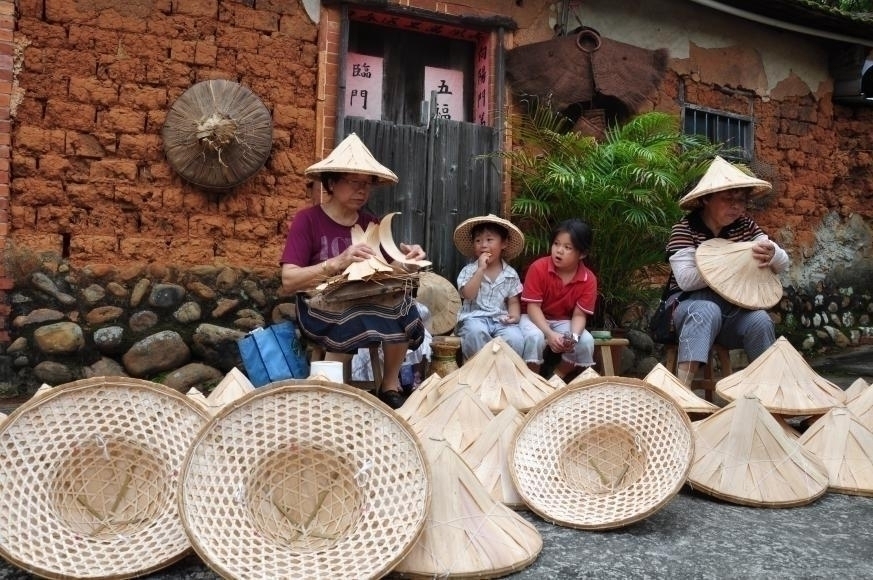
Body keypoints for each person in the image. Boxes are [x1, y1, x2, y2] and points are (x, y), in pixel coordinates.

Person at [280, 133, 427, 409]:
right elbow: (289, 280)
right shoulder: (308, 220)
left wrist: (407, 261)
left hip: (362, 298)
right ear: (332, 183)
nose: (363, 191)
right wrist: (337, 262)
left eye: (367, 184)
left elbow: (383, 272)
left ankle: (389, 386)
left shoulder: (371, 222)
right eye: (354, 183)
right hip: (318, 304)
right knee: (354, 318)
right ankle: (328, 394)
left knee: (404, 307)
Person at [665, 156, 789, 386]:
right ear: (706, 200)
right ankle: (682, 394)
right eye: (727, 199)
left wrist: (774, 254)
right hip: (687, 309)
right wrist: (731, 262)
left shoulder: (746, 225)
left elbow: (781, 262)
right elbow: (686, 280)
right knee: (706, 309)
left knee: (760, 320)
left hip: (732, 315)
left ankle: (768, 394)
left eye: (741, 200)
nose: (736, 206)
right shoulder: (684, 229)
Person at [518, 218, 597, 380]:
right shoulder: (538, 267)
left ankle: (556, 377)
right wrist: (549, 333)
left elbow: (579, 315)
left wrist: (573, 337)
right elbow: (532, 307)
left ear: (582, 253)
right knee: (535, 337)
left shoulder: (589, 279)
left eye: (567, 247)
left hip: (562, 320)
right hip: (532, 317)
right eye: (556, 244)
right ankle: (532, 380)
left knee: (585, 341)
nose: (559, 251)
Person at [453, 214, 526, 360]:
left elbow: (512, 301)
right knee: (474, 333)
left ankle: (504, 373)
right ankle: (478, 370)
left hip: (500, 319)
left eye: (489, 239)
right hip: (474, 318)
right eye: (478, 240)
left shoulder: (510, 274)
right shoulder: (469, 271)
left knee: (515, 338)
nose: (483, 245)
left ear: (503, 244)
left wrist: (515, 316)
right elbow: (468, 295)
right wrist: (480, 270)